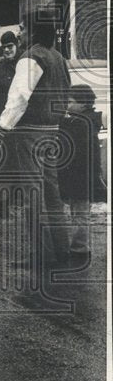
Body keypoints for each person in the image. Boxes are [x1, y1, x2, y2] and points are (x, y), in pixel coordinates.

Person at [0, 16, 72, 268]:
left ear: (33, 32)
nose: (20, 34)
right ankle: (62, 250)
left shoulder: (31, 57)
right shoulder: (58, 57)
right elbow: (67, 90)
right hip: (53, 130)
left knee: (32, 194)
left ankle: (41, 254)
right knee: (52, 191)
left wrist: (1, 129)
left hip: (30, 133)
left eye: (23, 29)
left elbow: (18, 97)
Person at [58, 84, 106, 261]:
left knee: (79, 213)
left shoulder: (81, 123)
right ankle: (78, 247)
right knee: (78, 212)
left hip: (80, 176)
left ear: (84, 103)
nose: (67, 105)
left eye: (70, 102)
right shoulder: (83, 120)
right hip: (79, 176)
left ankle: (80, 250)